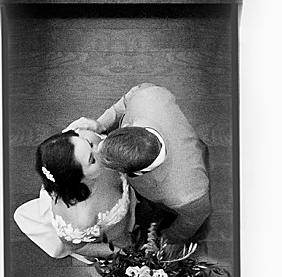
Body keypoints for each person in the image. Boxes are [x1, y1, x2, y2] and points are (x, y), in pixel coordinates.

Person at [65, 83, 210, 244]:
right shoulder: (147, 96)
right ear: (128, 127)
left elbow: (194, 218)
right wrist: (101, 125)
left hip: (189, 162)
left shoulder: (186, 194)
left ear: (132, 172)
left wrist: (168, 238)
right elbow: (126, 100)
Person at [14, 128, 136, 261]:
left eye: (89, 144)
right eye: (92, 160)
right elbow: (78, 247)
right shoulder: (80, 221)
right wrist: (121, 253)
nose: (100, 150)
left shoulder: (89, 140)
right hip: (117, 232)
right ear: (77, 179)